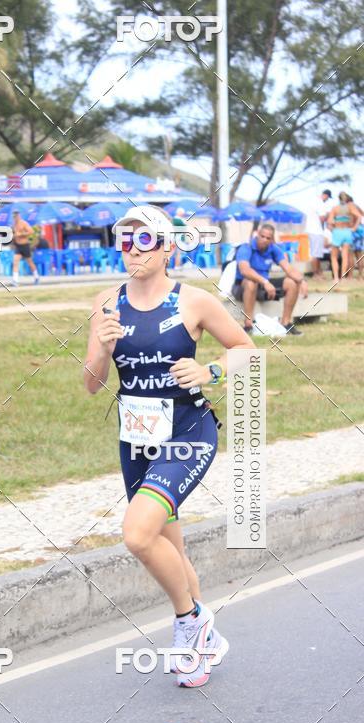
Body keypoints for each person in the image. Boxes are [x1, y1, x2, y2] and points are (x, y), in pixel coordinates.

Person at [83, 205, 255, 688]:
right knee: (169, 544)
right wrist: (101, 347)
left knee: (138, 535)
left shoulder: (194, 302)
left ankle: (190, 621)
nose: (132, 250)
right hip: (136, 439)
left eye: (143, 241)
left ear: (166, 248)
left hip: (187, 432)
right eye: (124, 241)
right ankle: (203, 645)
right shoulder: (105, 303)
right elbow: (92, 384)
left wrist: (209, 372)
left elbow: (246, 351)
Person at [232, 222, 308, 336]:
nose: (264, 240)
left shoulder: (273, 249)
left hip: (263, 287)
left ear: (272, 239)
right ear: (257, 234)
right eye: (262, 236)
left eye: (268, 238)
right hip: (242, 286)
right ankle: (248, 325)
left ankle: (286, 323)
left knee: (292, 282)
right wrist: (265, 282)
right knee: (251, 282)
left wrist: (301, 280)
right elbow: (245, 270)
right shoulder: (246, 247)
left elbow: (288, 269)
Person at [327, 191, 359, 280]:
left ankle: (336, 278)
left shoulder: (335, 208)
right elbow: (359, 216)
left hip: (337, 231)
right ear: (346, 198)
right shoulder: (350, 208)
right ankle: (343, 277)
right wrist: (354, 228)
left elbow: (329, 222)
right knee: (345, 256)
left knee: (334, 257)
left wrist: (331, 229)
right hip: (347, 231)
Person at [305, 190, 333, 277]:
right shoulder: (320, 203)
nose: (327, 200)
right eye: (328, 198)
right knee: (316, 254)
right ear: (325, 195)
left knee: (315, 253)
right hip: (316, 230)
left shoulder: (313, 201)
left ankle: (318, 272)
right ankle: (316, 274)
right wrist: (329, 214)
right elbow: (322, 218)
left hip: (311, 230)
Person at [10, 210, 40, 285]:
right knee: (15, 262)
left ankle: (36, 276)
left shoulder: (23, 223)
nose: (15, 218)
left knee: (30, 262)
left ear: (19, 216)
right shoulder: (14, 225)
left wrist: (21, 234)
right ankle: (15, 280)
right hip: (18, 246)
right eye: (14, 217)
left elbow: (31, 231)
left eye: (16, 216)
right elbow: (15, 234)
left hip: (25, 245)